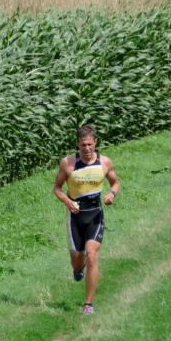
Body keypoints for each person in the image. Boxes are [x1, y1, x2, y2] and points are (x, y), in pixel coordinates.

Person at [52, 124, 120, 315]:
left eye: (90, 144)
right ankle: (77, 269)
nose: (87, 148)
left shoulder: (104, 162)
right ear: (78, 144)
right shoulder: (67, 163)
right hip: (75, 216)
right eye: (83, 145)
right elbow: (57, 188)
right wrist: (68, 202)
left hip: (95, 214)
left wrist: (112, 194)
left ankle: (88, 304)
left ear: (95, 142)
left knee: (92, 255)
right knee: (77, 259)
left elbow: (115, 183)